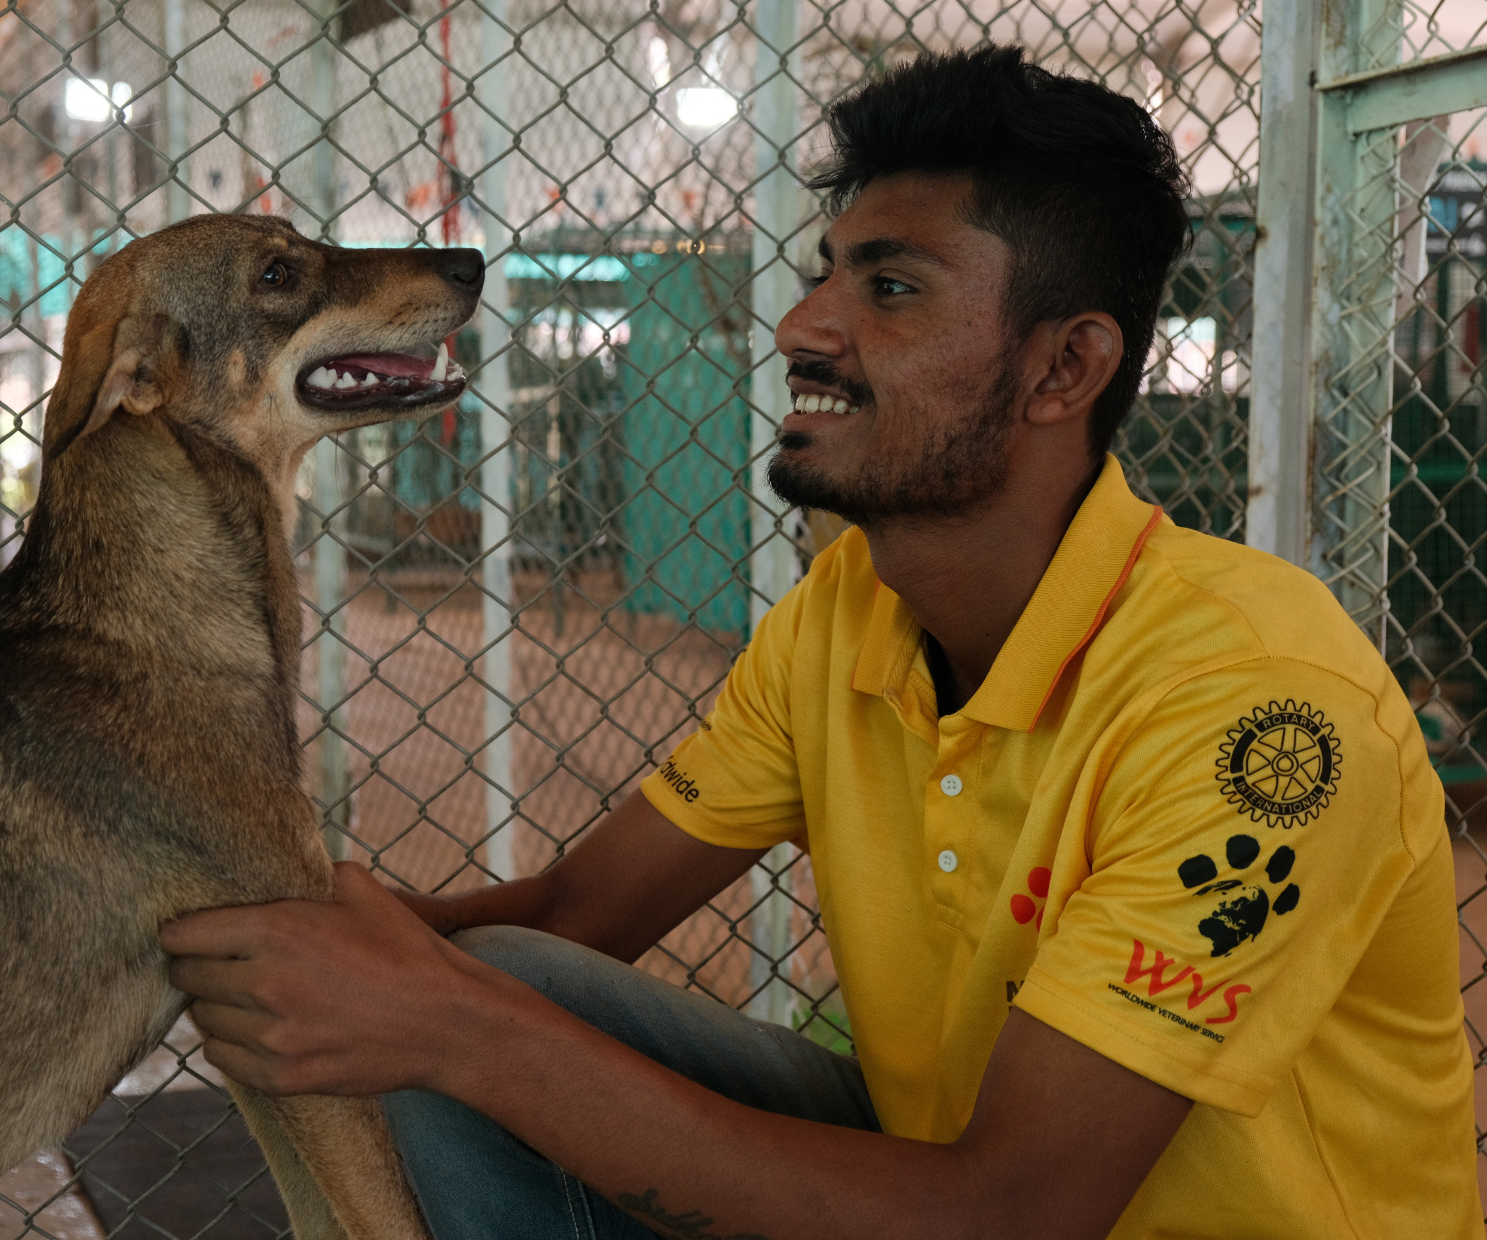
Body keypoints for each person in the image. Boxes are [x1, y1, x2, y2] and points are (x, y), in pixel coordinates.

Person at [161, 46, 1483, 1239]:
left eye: (891, 288)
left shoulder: (1257, 711)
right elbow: (576, 914)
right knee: (492, 982)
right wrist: (329, 935)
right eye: (825, 274)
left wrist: (448, 1023)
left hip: (1017, 1210)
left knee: (467, 1022)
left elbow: (1015, 1214)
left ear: (1062, 370)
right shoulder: (849, 611)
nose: (803, 327)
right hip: (942, 1173)